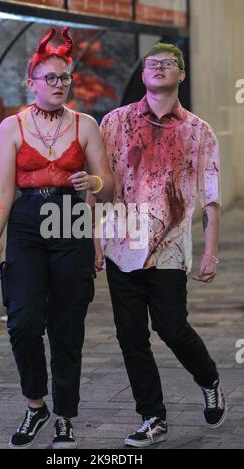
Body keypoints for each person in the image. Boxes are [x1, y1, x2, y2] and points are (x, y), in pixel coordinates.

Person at [0, 27, 113, 450]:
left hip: (71, 217)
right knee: (22, 321)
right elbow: (3, 187)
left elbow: (109, 187)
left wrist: (91, 180)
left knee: (67, 325)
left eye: (65, 78)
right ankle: (35, 404)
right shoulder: (11, 126)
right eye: (51, 78)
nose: (60, 85)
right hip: (25, 221)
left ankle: (64, 416)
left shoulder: (86, 124)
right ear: (32, 82)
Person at [95, 43, 226, 448]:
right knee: (131, 336)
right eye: (151, 63)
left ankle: (209, 380)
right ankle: (152, 417)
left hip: (170, 248)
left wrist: (209, 251)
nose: (158, 68)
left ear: (181, 75)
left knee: (171, 327)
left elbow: (210, 197)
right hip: (120, 245)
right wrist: (95, 240)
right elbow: (100, 187)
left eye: (167, 63)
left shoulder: (198, 131)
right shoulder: (114, 122)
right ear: (144, 73)